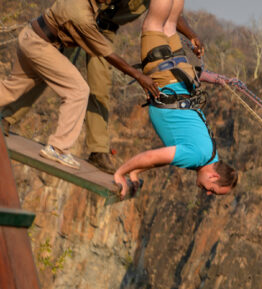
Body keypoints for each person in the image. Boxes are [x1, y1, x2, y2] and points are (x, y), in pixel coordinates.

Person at [0, 0, 204, 173]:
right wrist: (138, 75)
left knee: (99, 88)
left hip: (103, 29)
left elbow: (172, 14)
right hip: (74, 23)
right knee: (48, 74)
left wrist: (192, 34)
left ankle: (98, 150)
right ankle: (8, 119)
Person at [114, 0, 237, 198]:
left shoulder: (212, 155)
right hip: (165, 77)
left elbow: (158, 160)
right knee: (154, 24)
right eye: (212, 190)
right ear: (214, 176)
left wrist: (135, 172)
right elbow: (151, 156)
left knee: (169, 25)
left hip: (182, 77)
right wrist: (120, 173)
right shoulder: (195, 158)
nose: (207, 192)